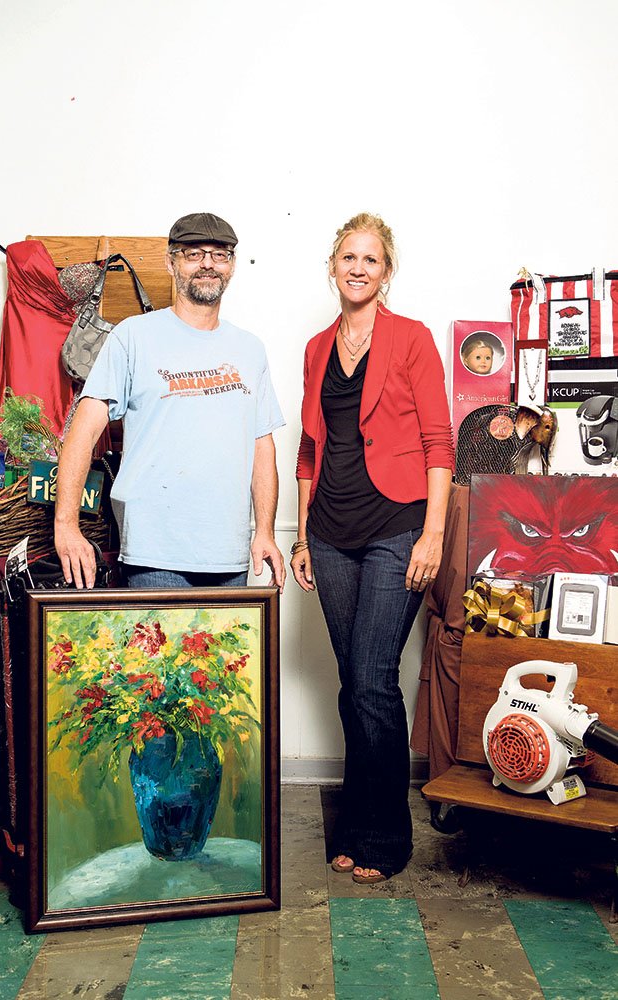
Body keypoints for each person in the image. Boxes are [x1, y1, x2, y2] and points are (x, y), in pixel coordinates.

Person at [291, 212, 454, 884]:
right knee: (352, 685)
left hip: (396, 528)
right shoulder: (315, 347)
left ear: (386, 272)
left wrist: (433, 533)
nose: (358, 268)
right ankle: (356, 824)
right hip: (329, 533)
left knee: (370, 683)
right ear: (332, 265)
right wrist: (300, 536)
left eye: (371, 259)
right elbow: (309, 448)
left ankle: (385, 837)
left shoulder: (411, 340)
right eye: (348, 257)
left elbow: (438, 444)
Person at [55, 212, 286, 592]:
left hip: (228, 555)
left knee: (228, 654)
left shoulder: (250, 349)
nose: (208, 264)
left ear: (232, 266)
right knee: (159, 652)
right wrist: (66, 524)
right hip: (153, 553)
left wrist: (265, 531)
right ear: (170, 261)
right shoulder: (134, 336)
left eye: (221, 254)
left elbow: (262, 445)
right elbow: (84, 429)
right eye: (194, 253)